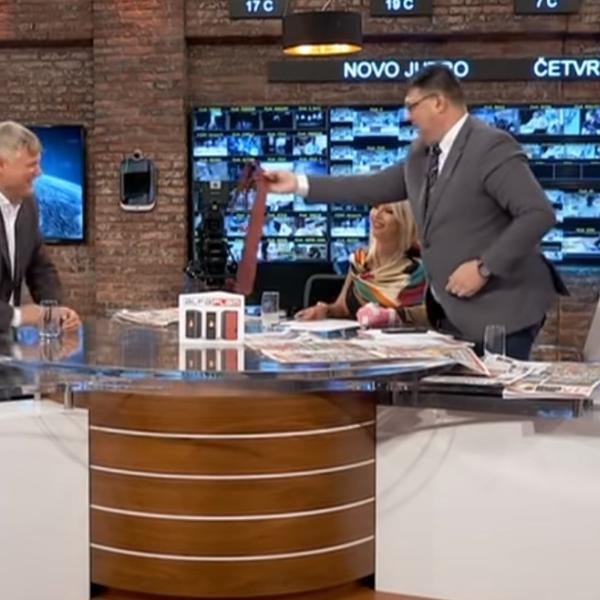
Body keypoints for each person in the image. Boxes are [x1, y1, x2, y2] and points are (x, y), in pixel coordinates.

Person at [264, 65, 568, 359]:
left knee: (495, 394)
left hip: (503, 310)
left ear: (438, 102)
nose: (408, 116)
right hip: (452, 313)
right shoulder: (421, 155)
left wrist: (483, 267)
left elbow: (537, 213)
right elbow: (371, 187)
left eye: (412, 106)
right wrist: (298, 183)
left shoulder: (490, 146)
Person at [0, 121, 80, 333]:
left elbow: (40, 267)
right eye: (31, 165)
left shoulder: (29, 205)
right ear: (1, 165)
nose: (39, 172)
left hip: (7, 341)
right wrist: (19, 316)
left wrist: (56, 311)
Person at [295, 202, 427, 328]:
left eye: (388, 211)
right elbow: (342, 308)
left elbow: (429, 315)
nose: (377, 214)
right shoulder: (360, 261)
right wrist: (325, 310)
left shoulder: (420, 271)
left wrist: (393, 316)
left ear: (405, 222)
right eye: (375, 207)